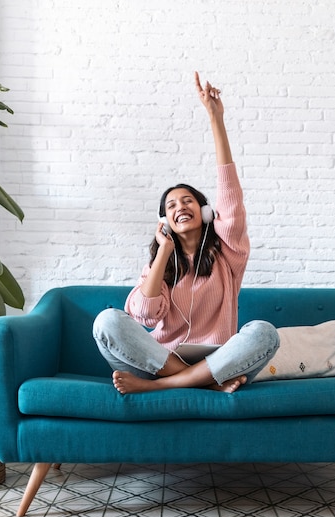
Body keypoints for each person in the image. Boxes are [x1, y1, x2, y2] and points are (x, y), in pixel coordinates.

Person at [93, 72, 279, 395]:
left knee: (265, 334)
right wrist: (163, 251)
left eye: (188, 200)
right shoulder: (161, 265)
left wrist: (215, 119)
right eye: (171, 205)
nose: (180, 206)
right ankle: (201, 383)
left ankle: (167, 386)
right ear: (164, 219)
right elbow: (144, 315)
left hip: (218, 359)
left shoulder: (228, 255)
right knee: (106, 322)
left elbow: (230, 197)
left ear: (205, 211)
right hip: (159, 360)